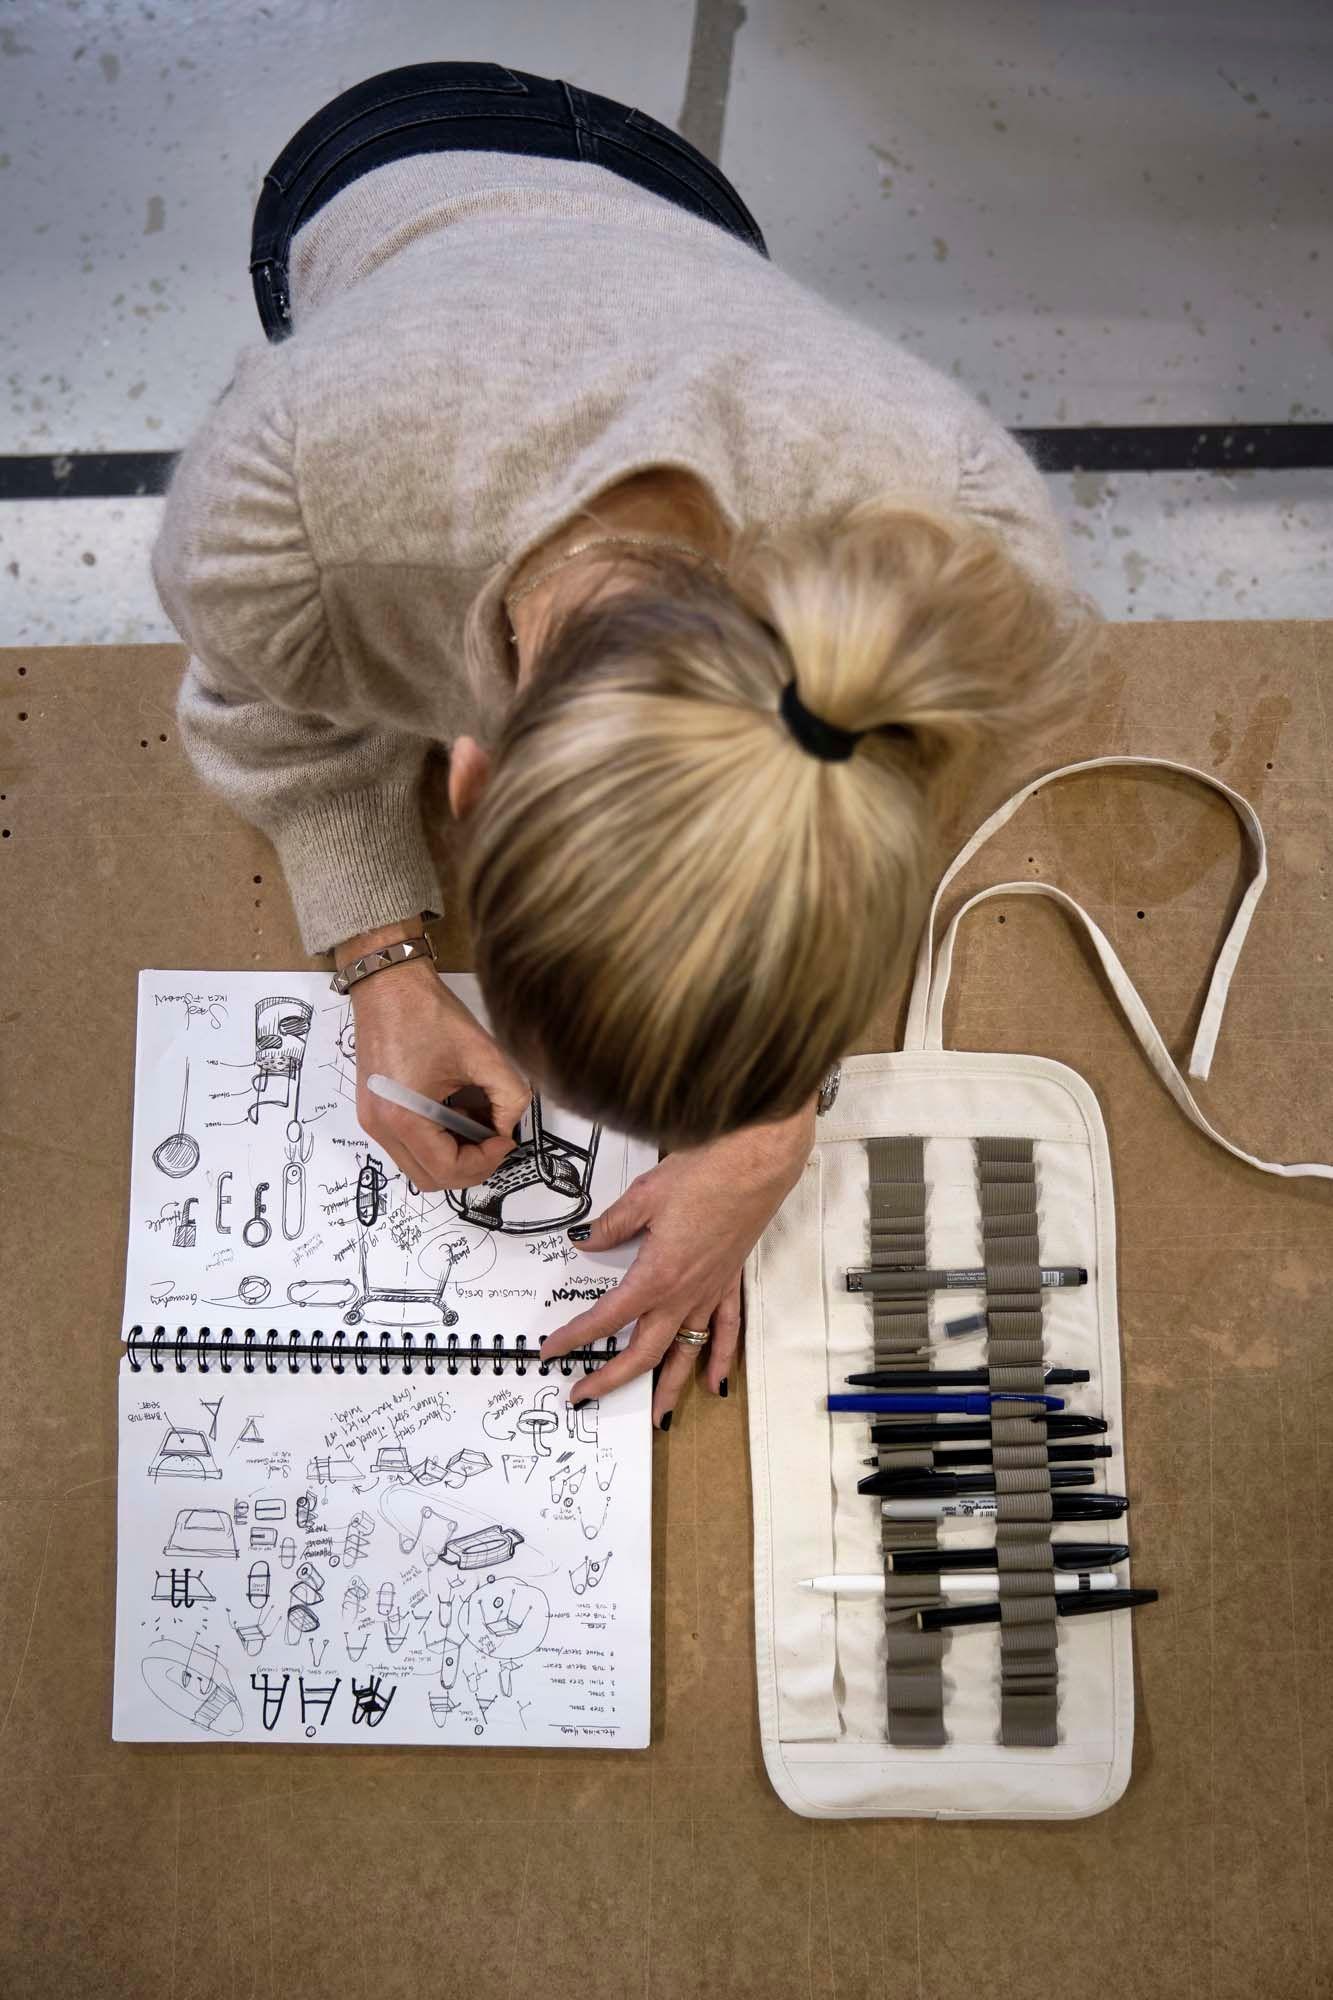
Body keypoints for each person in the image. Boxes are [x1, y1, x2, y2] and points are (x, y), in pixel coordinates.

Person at [152, 62, 1099, 1428]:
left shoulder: (960, 568)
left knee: (678, 244)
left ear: (461, 783)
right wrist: (382, 964)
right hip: (383, 175)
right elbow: (263, 701)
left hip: (679, 211)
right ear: (463, 776)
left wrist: (777, 1122)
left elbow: (859, 817)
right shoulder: (286, 511)